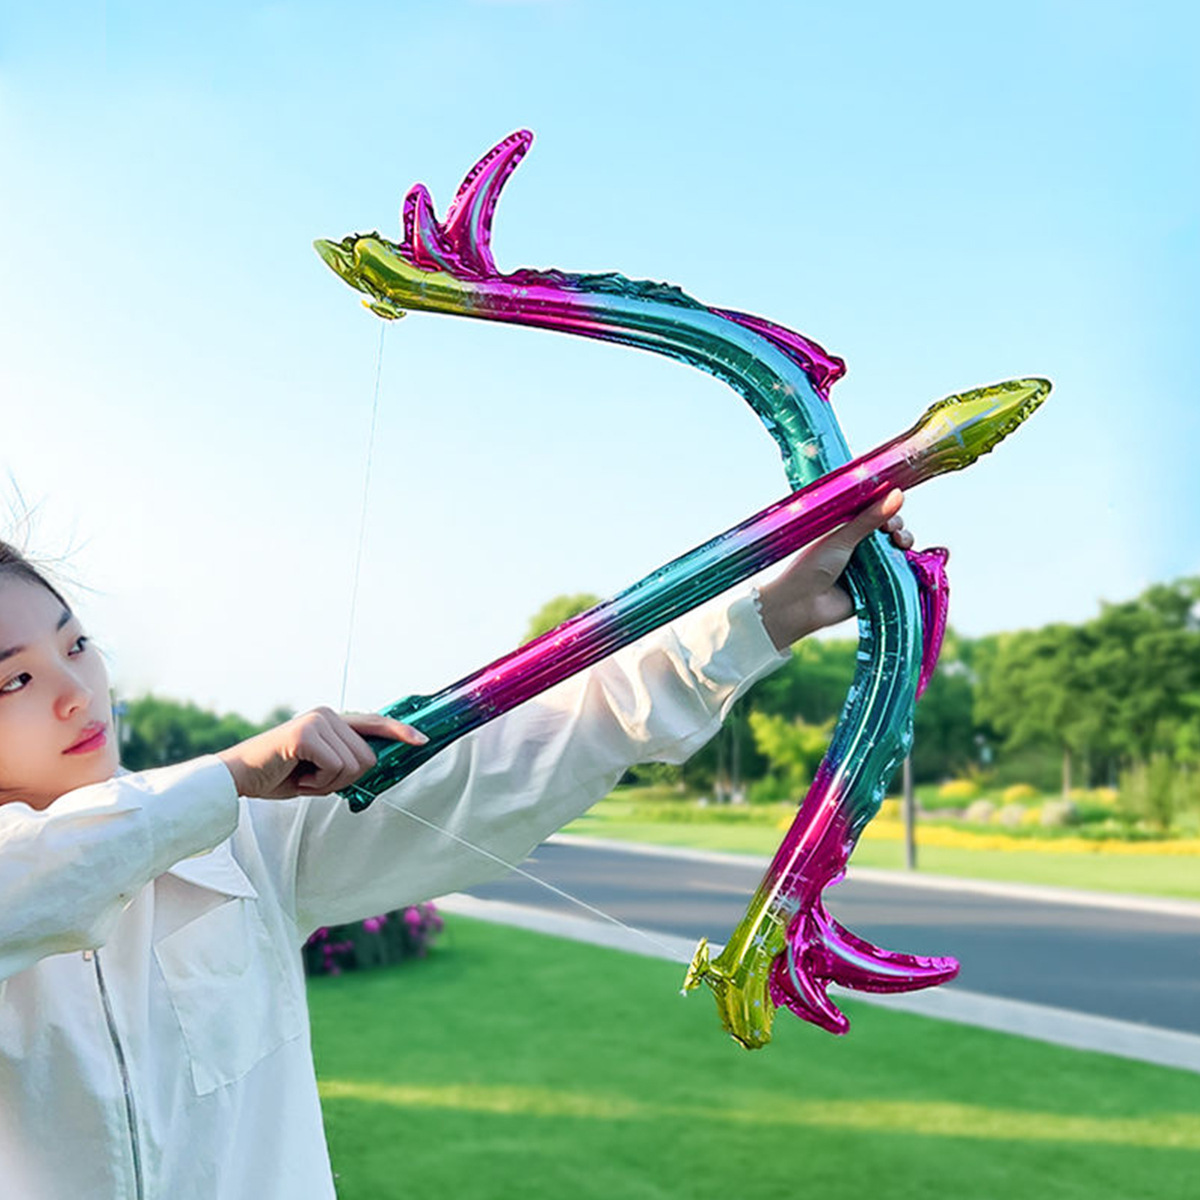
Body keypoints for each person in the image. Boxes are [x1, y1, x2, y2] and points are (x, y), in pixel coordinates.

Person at [0, 490, 914, 1200]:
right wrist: (226, 777)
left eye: (79, 644)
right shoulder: (209, 807)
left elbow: (507, 754)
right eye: (17, 682)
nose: (77, 691)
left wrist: (764, 613)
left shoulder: (240, 845)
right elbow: (39, 884)